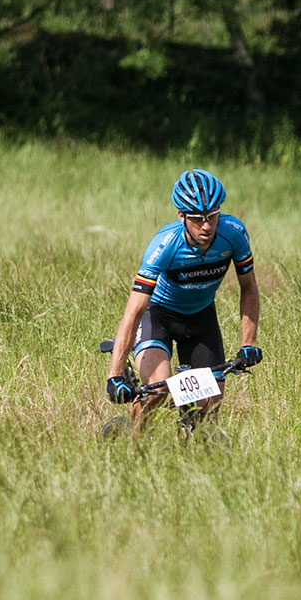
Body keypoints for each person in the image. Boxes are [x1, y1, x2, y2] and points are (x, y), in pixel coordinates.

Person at [104, 168, 261, 419]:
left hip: (201, 318)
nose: (207, 226)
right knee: (158, 388)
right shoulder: (164, 245)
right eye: (198, 219)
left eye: (213, 215)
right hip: (159, 316)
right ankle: (134, 451)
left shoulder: (234, 234)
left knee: (209, 405)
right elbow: (134, 312)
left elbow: (249, 288)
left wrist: (248, 344)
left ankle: (191, 452)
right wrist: (115, 374)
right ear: (182, 215)